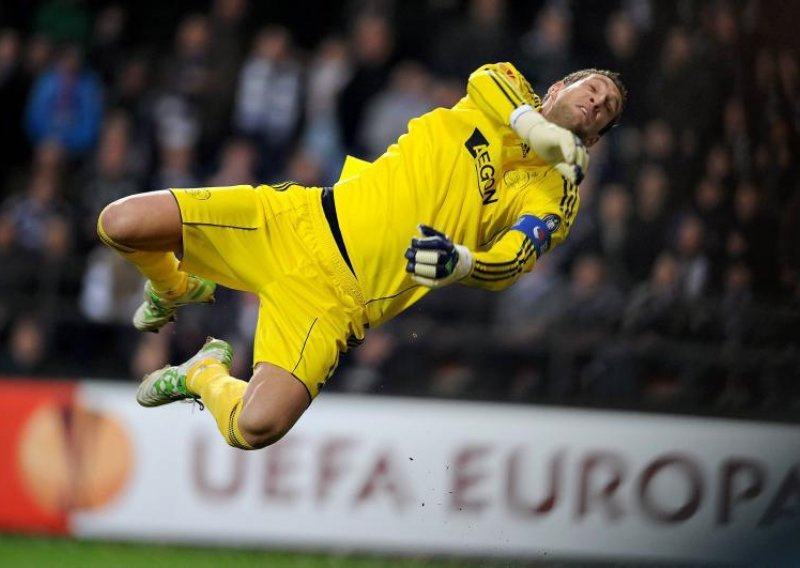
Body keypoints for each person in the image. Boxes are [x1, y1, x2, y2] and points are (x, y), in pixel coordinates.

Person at [97, 62, 625, 450]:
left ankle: (200, 373)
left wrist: (463, 262)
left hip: (336, 303)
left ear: (596, 137)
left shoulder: (556, 194)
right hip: (296, 221)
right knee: (118, 224)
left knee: (255, 428)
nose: (597, 101)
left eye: (607, 110)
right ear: (560, 86)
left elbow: (514, 258)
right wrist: (535, 129)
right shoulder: (503, 89)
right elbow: (485, 82)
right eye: (593, 88)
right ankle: (174, 287)